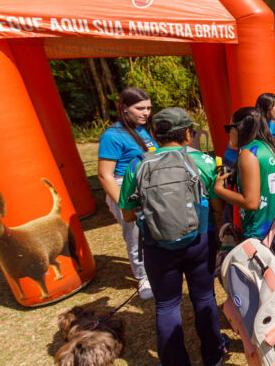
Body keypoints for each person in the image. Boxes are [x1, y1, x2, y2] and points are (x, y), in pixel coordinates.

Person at [119, 108, 227, 366]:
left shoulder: (138, 163)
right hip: (199, 241)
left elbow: (127, 214)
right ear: (188, 134)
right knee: (204, 298)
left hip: (157, 246)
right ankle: (213, 355)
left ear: (156, 135)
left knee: (166, 306)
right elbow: (217, 207)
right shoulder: (204, 161)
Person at [97, 87, 156, 300]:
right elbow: (105, 175)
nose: (145, 113)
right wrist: (124, 204)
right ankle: (143, 277)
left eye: (148, 108)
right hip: (125, 189)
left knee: (151, 231)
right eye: (140, 108)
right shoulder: (113, 136)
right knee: (135, 235)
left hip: (147, 186)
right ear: (124, 108)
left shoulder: (143, 129)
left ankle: (157, 269)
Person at [214, 107, 275, 240]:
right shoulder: (270, 148)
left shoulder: (248, 153)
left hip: (259, 236)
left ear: (240, 128)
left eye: (229, 128)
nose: (228, 134)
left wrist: (219, 189)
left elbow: (251, 202)